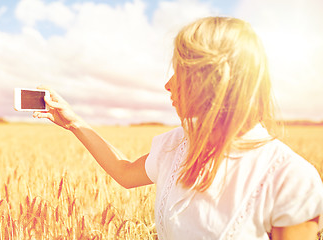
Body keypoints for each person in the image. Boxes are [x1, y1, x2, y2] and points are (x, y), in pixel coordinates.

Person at [33, 17, 323, 240]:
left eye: (180, 70)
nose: (168, 84)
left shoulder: (291, 178)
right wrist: (72, 122)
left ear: (214, 78)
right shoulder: (175, 145)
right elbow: (123, 171)